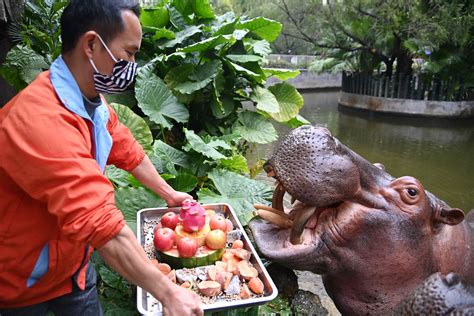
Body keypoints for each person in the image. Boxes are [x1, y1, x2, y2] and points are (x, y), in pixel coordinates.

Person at [0, 0, 203, 315]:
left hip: (73, 267)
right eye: (129, 53)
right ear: (92, 44)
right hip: (23, 284)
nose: (133, 64)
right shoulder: (39, 119)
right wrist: (168, 293)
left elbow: (125, 147)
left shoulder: (89, 101)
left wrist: (168, 193)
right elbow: (98, 221)